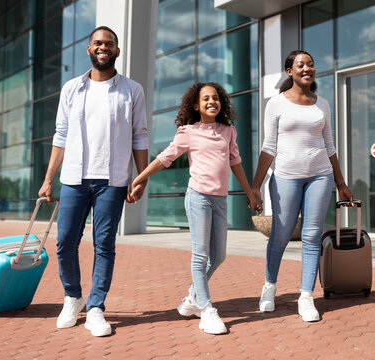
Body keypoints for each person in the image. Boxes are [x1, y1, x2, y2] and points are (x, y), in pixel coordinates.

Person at [38, 26, 149, 337]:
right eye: (98, 43)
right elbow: (60, 135)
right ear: (89, 49)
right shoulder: (72, 89)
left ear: (116, 51)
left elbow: (139, 135)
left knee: (104, 245)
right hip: (74, 179)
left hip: (112, 182)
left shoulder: (131, 90)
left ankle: (96, 307)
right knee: (64, 243)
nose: (103, 47)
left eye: (109, 44)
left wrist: (139, 178)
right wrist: (48, 180)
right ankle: (72, 298)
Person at [129, 82, 261, 334]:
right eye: (206, 99)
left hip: (220, 200)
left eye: (216, 98)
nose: (212, 102)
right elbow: (164, 159)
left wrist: (250, 193)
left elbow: (236, 163)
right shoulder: (187, 131)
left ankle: (191, 298)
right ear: (196, 105)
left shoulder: (228, 130)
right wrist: (139, 177)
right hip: (198, 197)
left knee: (219, 256)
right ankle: (207, 310)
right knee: (200, 256)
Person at [251, 50, 353, 322]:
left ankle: (306, 296)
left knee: (311, 236)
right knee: (281, 235)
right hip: (285, 176)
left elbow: (329, 145)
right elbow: (268, 147)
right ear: (289, 71)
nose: (307, 68)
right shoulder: (276, 104)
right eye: (301, 65)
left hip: (320, 175)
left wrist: (340, 183)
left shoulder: (323, 105)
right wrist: (255, 186)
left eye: (310, 63)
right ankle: (269, 287)